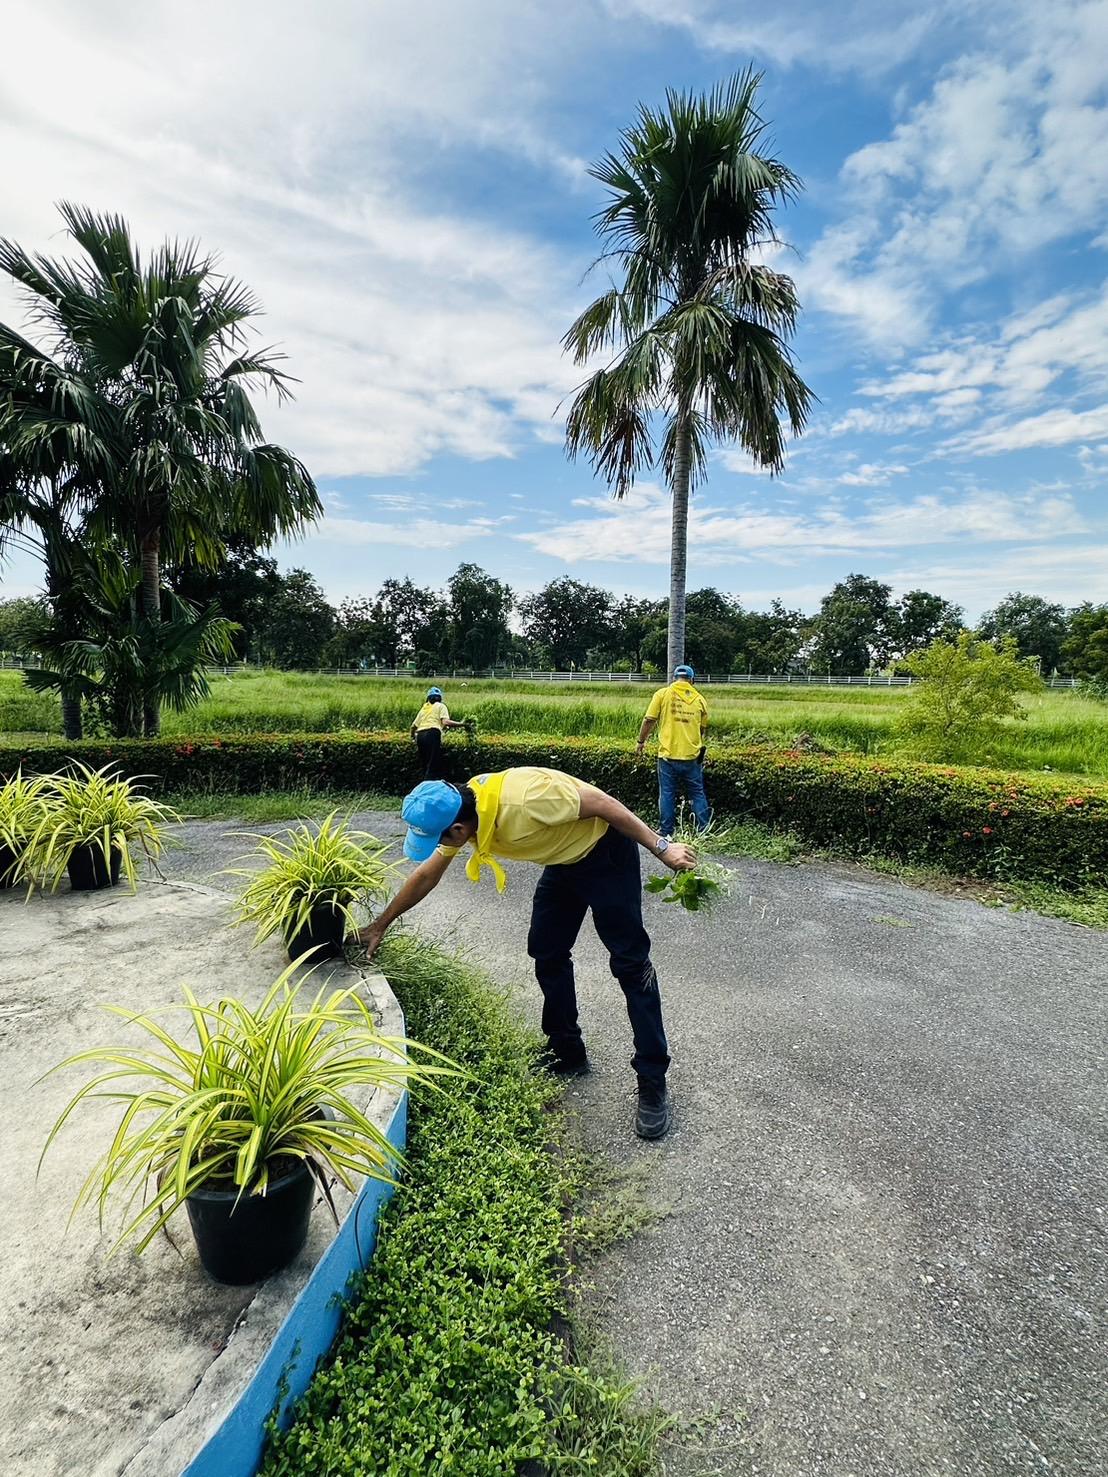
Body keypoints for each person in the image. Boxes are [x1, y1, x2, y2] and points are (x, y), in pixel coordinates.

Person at [358, 767, 696, 1139]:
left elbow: (603, 802)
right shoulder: (463, 810)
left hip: (604, 854)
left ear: (457, 830)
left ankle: (652, 1079)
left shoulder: (527, 799)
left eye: (441, 839)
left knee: (632, 966)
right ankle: (566, 1051)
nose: (446, 846)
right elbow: (427, 873)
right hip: (564, 862)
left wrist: (663, 848)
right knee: (547, 950)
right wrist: (380, 924)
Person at [636, 663, 710, 837]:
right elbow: (702, 729)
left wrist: (641, 741)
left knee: (667, 793)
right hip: (692, 756)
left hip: (668, 756)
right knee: (697, 793)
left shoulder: (663, 694)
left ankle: (666, 831)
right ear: (692, 680)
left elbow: (649, 719)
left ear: (675, 678)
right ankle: (704, 831)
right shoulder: (700, 700)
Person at [410, 686, 465, 779]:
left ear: (428, 698)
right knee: (433, 763)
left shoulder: (424, 709)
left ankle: (423, 785)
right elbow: (445, 722)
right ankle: (430, 786)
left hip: (420, 735)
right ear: (440, 698)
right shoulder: (441, 706)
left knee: (425, 763)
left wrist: (412, 737)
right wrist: (462, 724)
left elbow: (413, 726)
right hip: (432, 733)